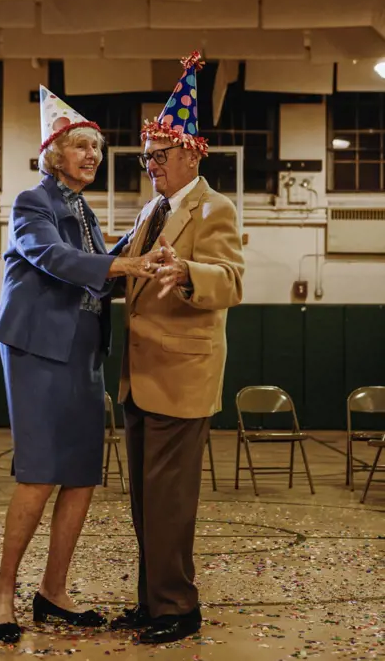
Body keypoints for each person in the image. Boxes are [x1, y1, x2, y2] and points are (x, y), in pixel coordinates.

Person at [0, 86, 160, 643]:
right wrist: (127, 261)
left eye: (98, 149)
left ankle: (53, 591)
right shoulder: (32, 202)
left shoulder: (84, 209)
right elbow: (53, 258)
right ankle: (3, 591)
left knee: (83, 476)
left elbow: (102, 261)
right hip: (38, 348)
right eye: (82, 145)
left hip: (84, 353)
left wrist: (145, 237)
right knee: (39, 474)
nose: (92, 155)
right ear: (54, 153)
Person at [110, 52, 244, 644]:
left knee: (168, 505)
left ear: (191, 152)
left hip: (181, 376)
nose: (149, 168)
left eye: (158, 157)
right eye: (145, 158)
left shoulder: (216, 208)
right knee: (145, 503)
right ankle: (153, 600)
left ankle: (177, 609)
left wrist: (186, 270)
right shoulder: (150, 210)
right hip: (141, 375)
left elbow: (232, 281)